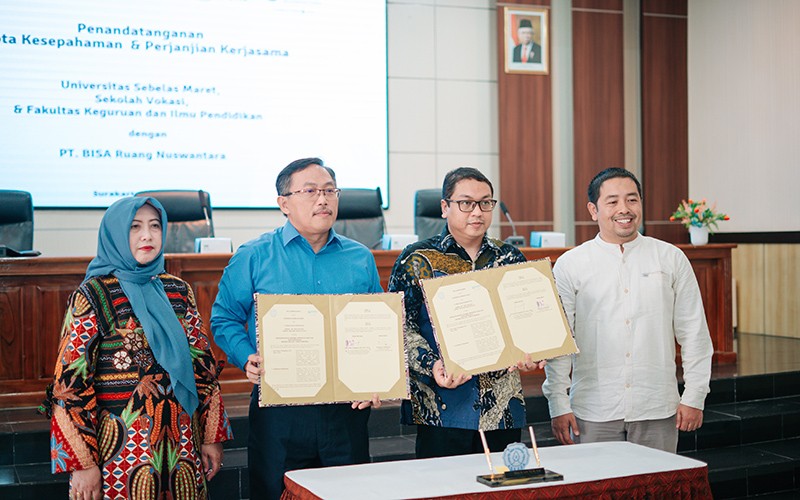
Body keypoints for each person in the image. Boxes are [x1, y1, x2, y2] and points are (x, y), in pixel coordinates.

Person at [210, 157, 383, 499]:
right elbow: (224, 317)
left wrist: (375, 375)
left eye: (330, 190)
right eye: (311, 191)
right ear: (284, 203)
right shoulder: (254, 256)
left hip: (345, 410)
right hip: (281, 411)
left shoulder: (360, 257)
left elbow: (374, 325)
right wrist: (247, 357)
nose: (323, 199)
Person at [44, 197, 232, 499]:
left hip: (182, 446)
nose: (147, 235)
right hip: (121, 452)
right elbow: (70, 385)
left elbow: (203, 368)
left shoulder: (178, 291)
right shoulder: (93, 294)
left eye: (155, 226)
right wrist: (83, 463)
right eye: (135, 227)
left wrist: (211, 437)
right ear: (116, 234)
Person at [542, 167, 714, 453]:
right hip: (594, 409)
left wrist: (695, 396)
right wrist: (558, 404)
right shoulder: (571, 264)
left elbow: (694, 332)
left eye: (632, 200)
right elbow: (560, 342)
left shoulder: (670, 257)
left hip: (657, 406)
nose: (624, 209)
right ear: (593, 210)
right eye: (612, 201)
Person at [388, 167, 545, 459]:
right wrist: (430, 364)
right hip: (442, 405)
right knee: (444, 489)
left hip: (502, 408)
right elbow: (398, 328)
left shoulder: (509, 257)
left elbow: (528, 320)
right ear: (445, 207)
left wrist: (533, 350)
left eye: (486, 202)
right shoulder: (416, 259)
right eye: (466, 203)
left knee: (500, 489)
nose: (477, 212)